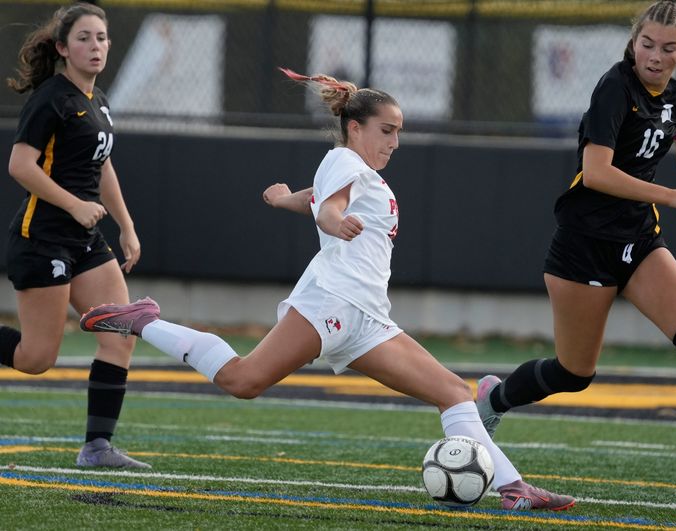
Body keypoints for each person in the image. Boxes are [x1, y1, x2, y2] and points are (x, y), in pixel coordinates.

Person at [79, 67, 576, 511]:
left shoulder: (360, 173)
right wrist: (331, 220)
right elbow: (331, 203)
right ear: (355, 128)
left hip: (368, 319)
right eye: (387, 131)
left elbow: (320, 197)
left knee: (451, 390)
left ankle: (514, 488)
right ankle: (146, 319)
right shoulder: (344, 158)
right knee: (243, 381)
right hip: (332, 303)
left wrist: (284, 201)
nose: (395, 143)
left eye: (399, 132)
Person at [474, 0, 676, 496]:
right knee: (574, 372)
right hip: (584, 246)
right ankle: (495, 400)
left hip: (640, 241)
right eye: (647, 44)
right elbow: (598, 172)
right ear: (634, 41)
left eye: (668, 48)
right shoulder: (614, 88)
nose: (655, 55)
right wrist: (667, 196)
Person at [1, 3, 149, 468]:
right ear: (63, 48)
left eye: (101, 38)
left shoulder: (97, 99)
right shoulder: (52, 98)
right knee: (35, 357)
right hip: (42, 237)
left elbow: (102, 165)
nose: (96, 46)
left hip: (85, 240)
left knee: (121, 334)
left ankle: (97, 447)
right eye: (84, 38)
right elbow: (19, 165)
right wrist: (74, 204)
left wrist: (125, 226)